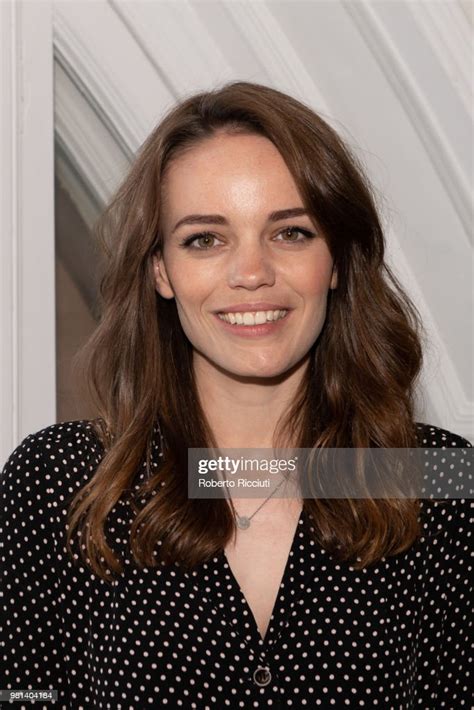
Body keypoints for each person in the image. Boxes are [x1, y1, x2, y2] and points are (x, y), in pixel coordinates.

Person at [1, 81, 472, 709]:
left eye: (290, 233)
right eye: (205, 239)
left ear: (334, 260)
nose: (251, 273)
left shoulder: (439, 481)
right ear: (161, 270)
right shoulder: (58, 481)